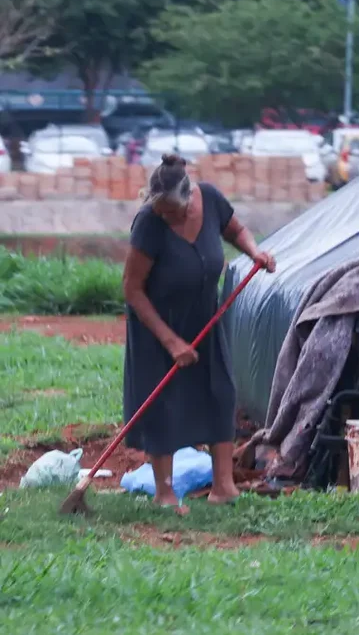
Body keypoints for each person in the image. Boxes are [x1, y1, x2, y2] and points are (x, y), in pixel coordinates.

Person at [122, 154, 276, 510]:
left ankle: (224, 487)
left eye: (172, 212)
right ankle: (165, 493)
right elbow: (132, 288)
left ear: (190, 197)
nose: (166, 217)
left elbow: (235, 230)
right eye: (160, 211)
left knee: (220, 392)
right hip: (159, 324)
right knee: (163, 404)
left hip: (204, 316)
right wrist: (171, 341)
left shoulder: (210, 198)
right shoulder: (148, 223)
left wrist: (254, 252)